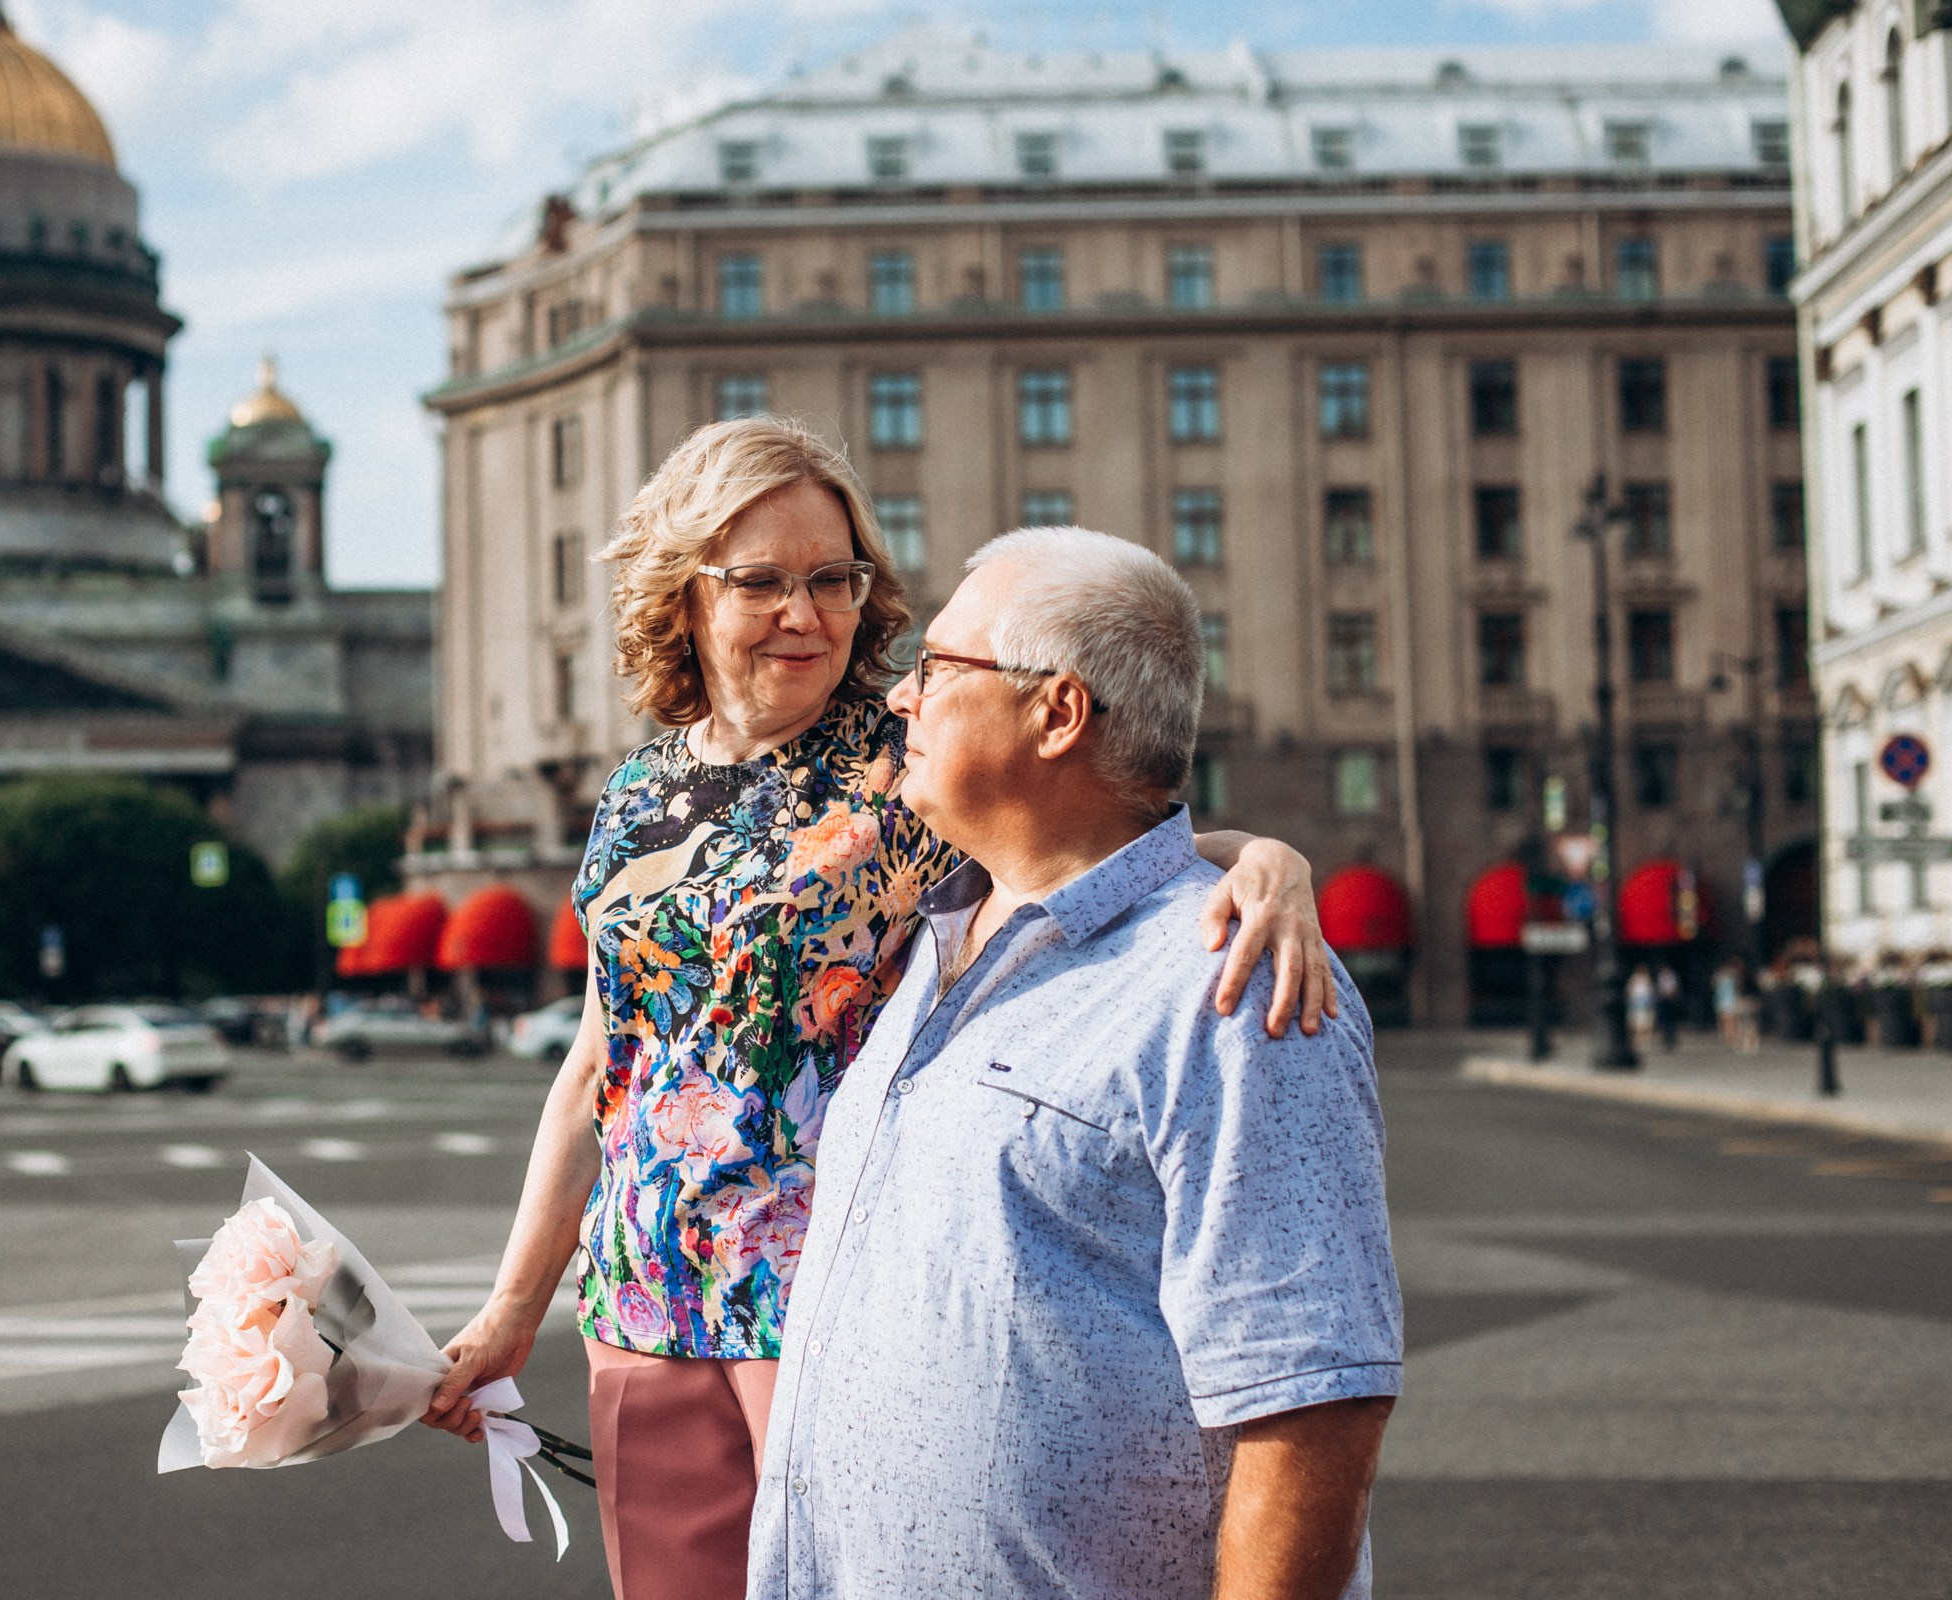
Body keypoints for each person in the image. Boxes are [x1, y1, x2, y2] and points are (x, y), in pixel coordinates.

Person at [419, 420, 1338, 1600]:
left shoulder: (908, 759)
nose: (804, 614)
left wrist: (1265, 859)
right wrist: (511, 1311)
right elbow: (604, 1062)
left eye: (833, 578)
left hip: (840, 1301)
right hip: (641, 1300)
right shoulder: (637, 793)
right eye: (762, 582)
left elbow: (1094, 839)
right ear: (685, 591)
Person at [749, 527, 1400, 1600]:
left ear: (1057, 712)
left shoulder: (1235, 984)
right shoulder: (930, 935)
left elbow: (1311, 1409)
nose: (903, 697)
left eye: (938, 668)